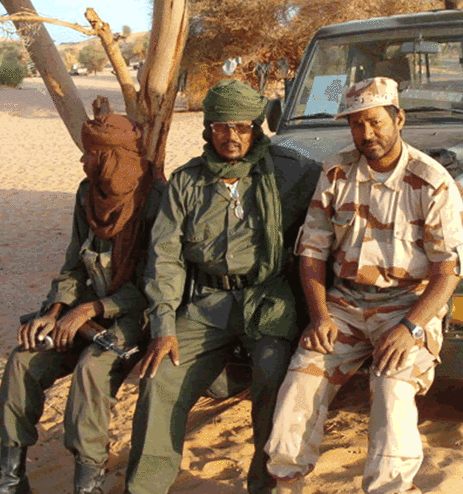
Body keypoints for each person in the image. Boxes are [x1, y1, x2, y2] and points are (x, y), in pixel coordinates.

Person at [265, 77, 463, 494]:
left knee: (391, 387)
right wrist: (320, 316)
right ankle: (286, 480)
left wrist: (411, 327)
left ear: (399, 118)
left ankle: (391, 489)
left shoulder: (431, 181)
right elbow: (311, 252)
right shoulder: (336, 171)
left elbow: (448, 270)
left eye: (376, 122)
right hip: (344, 304)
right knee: (300, 381)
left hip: (408, 305)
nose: (367, 134)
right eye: (357, 125)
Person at [124, 79, 320, 494]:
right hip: (206, 302)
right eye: (221, 127)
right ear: (208, 129)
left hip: (268, 299)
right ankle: (144, 487)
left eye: (242, 127)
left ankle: (264, 484)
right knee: (160, 378)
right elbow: (165, 258)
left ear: (256, 127)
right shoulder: (187, 182)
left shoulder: (289, 170)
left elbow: (335, 200)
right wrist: (163, 327)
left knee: (273, 373)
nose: (232, 137)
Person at [0, 114, 164, 494]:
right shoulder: (87, 195)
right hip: (83, 312)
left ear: (113, 157)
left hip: (138, 316)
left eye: (92, 154)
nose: (84, 161)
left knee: (92, 368)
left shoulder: (155, 200)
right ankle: (11, 476)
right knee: (23, 359)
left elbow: (156, 283)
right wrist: (53, 312)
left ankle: (88, 479)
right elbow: (72, 265)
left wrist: (91, 310)